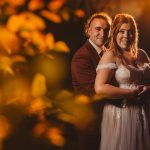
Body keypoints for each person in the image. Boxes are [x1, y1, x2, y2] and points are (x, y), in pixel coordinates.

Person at [95, 13, 150, 150]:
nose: (126, 36)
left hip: (144, 110)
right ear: (114, 33)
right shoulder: (110, 55)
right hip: (122, 112)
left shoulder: (142, 54)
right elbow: (100, 88)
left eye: (130, 32)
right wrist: (131, 92)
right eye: (122, 31)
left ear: (135, 34)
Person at [71, 12, 112, 150]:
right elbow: (92, 92)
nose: (102, 33)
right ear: (88, 31)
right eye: (98, 29)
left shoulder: (108, 53)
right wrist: (124, 96)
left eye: (106, 30)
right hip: (91, 124)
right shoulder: (82, 56)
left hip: (107, 121)